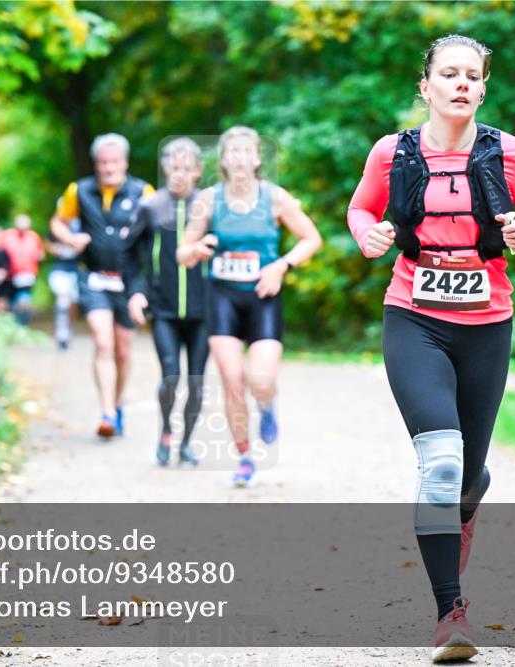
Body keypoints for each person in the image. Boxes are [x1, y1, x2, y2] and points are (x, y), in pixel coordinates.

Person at [347, 35, 515, 663]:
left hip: (487, 323)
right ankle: (451, 615)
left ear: (483, 88)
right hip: (413, 316)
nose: (461, 83)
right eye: (449, 73)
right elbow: (360, 211)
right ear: (427, 86)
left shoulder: (509, 152)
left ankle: (472, 488)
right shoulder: (393, 152)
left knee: (466, 473)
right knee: (440, 463)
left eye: (473, 75)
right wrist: (372, 235)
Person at [177, 126, 321, 487]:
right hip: (222, 296)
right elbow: (182, 253)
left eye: (247, 151)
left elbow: (311, 238)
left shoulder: (275, 198)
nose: (240, 158)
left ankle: (267, 405)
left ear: (257, 158)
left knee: (261, 380)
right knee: (231, 380)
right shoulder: (209, 200)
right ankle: (244, 457)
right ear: (224, 160)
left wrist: (281, 264)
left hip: (263, 297)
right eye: (233, 152)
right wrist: (196, 250)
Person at [49, 133, 155, 438]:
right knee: (103, 341)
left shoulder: (142, 191)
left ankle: (118, 404)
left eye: (115, 162)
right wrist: (70, 238)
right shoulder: (79, 191)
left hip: (129, 279)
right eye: (104, 163)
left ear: (125, 162)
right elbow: (57, 222)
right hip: (93, 276)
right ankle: (107, 412)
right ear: (97, 164)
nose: (109, 168)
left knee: (122, 349)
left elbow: (158, 230)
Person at [124, 138, 209, 466]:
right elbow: (129, 252)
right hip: (164, 309)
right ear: (165, 169)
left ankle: (186, 441)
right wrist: (136, 291)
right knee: (171, 375)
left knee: (197, 381)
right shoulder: (151, 207)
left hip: (204, 312)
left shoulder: (209, 206)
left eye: (187, 168)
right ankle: (165, 432)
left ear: (199, 171)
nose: (180, 174)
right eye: (174, 167)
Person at [0, 213, 45, 325]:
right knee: (8, 302)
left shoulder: (34, 237)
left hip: (27, 274)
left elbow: (41, 254)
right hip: (9, 275)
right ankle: (10, 323)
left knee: (24, 299)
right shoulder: (7, 236)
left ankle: (22, 323)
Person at [45, 214, 82, 351]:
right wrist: (56, 250)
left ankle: (67, 329)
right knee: (63, 299)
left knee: (73, 303)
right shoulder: (54, 226)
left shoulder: (80, 224)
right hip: (60, 270)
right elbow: (47, 243)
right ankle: (61, 333)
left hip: (76, 270)